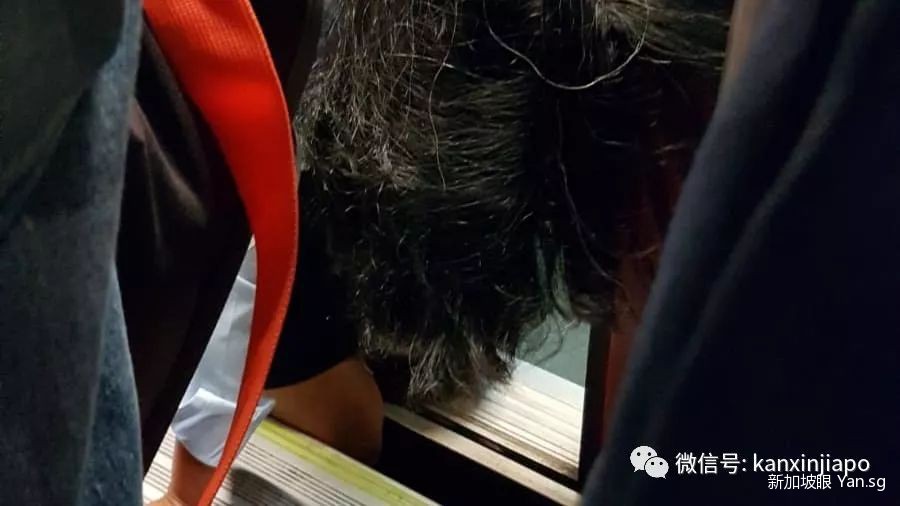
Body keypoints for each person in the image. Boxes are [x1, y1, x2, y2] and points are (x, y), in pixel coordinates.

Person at [152, 0, 729, 502]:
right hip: (290, 134)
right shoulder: (282, 61)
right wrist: (188, 487)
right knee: (346, 421)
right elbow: (244, 282)